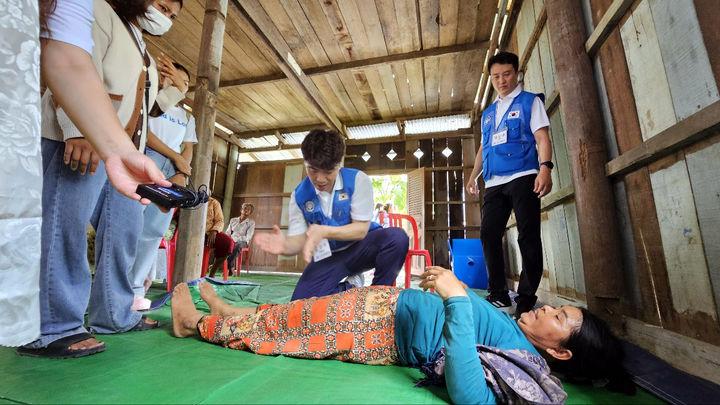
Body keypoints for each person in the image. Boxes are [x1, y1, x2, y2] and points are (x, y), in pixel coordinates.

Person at [171, 266, 636, 404]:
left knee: (286, 331)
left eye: (560, 317)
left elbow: (471, 395)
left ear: (560, 351)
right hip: (387, 307)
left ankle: (196, 324)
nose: (548, 308)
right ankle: (230, 311)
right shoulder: (518, 336)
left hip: (380, 327)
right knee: (295, 314)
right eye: (558, 306)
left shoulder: (526, 366)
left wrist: (455, 297)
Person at [18, 0, 184, 359]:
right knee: (65, 226)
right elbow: (72, 62)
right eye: (163, 6)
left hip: (121, 153)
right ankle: (51, 326)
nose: (165, 18)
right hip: (82, 139)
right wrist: (78, 130)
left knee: (124, 231)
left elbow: (149, 105)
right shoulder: (97, 11)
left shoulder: (142, 47)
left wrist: (179, 88)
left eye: (173, 15)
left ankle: (114, 314)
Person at [254, 129, 409, 301]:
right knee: (300, 304)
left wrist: (324, 231)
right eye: (313, 170)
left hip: (363, 246)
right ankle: (352, 286)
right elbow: (298, 240)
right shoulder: (299, 195)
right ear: (305, 163)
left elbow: (361, 229)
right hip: (329, 255)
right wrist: (285, 246)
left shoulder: (358, 180)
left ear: (339, 163)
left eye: (328, 171)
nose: (320, 179)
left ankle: (377, 298)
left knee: (397, 238)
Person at [466, 51, 553, 318]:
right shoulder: (489, 114)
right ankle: (499, 295)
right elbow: (484, 146)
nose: (501, 80)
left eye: (506, 74)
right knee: (489, 234)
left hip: (524, 175)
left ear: (516, 73)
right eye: (496, 76)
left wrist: (545, 168)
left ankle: (526, 299)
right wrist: (473, 175)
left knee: (527, 235)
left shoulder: (530, 102)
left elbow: (542, 137)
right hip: (494, 181)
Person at [128, 60, 197, 310]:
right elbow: (146, 134)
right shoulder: (151, 104)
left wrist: (180, 172)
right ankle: (120, 290)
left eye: (186, 84)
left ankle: (137, 290)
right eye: (176, 80)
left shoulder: (187, 117)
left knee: (154, 231)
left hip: (173, 171)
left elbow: (188, 149)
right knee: (130, 225)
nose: (182, 86)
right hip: (147, 159)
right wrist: (176, 157)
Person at [205, 196, 234, 278]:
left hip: (209, 232)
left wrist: (214, 230)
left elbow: (220, 220)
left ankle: (212, 272)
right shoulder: (189, 198)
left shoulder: (213, 202)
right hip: (193, 232)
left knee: (228, 243)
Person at [225, 203, 256, 272]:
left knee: (237, 245)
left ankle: (228, 266)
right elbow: (228, 233)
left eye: (248, 210)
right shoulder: (233, 220)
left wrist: (235, 240)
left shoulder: (251, 223)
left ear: (250, 212)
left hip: (243, 242)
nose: (246, 210)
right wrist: (228, 239)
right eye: (245, 208)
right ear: (241, 210)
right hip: (231, 240)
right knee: (222, 244)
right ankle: (230, 266)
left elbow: (248, 237)